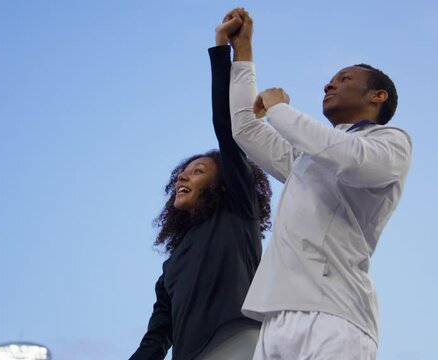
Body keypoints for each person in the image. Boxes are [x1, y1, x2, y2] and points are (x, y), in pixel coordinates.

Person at [226, 9, 412, 359]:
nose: (329, 84)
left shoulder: (392, 142)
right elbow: (246, 129)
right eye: (331, 79)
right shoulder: (306, 159)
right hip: (275, 319)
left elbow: (350, 159)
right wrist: (243, 52)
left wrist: (280, 110)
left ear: (378, 96)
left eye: (344, 79)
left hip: (335, 316)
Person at [129, 12, 272, 360]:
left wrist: (227, 49)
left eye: (198, 171)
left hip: (238, 343)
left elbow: (227, 126)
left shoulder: (238, 212)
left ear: (222, 183)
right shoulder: (172, 265)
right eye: (183, 172)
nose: (183, 177)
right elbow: (157, 337)